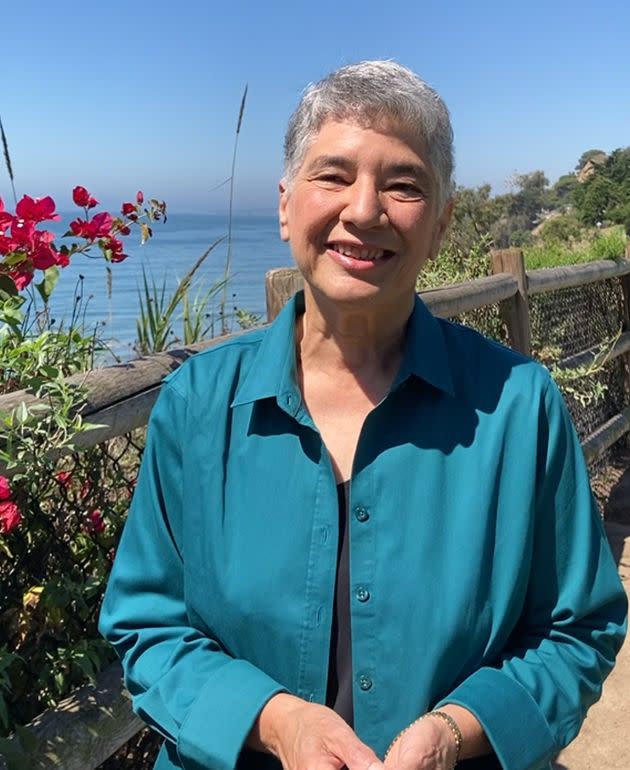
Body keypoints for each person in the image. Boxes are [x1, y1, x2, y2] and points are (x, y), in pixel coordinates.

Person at [99, 61, 627, 770]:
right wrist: (277, 722)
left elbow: (578, 630)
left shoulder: (518, 406)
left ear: (439, 225)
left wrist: (455, 732)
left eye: (404, 184)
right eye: (333, 175)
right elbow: (147, 626)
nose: (365, 209)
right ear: (286, 205)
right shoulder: (198, 404)